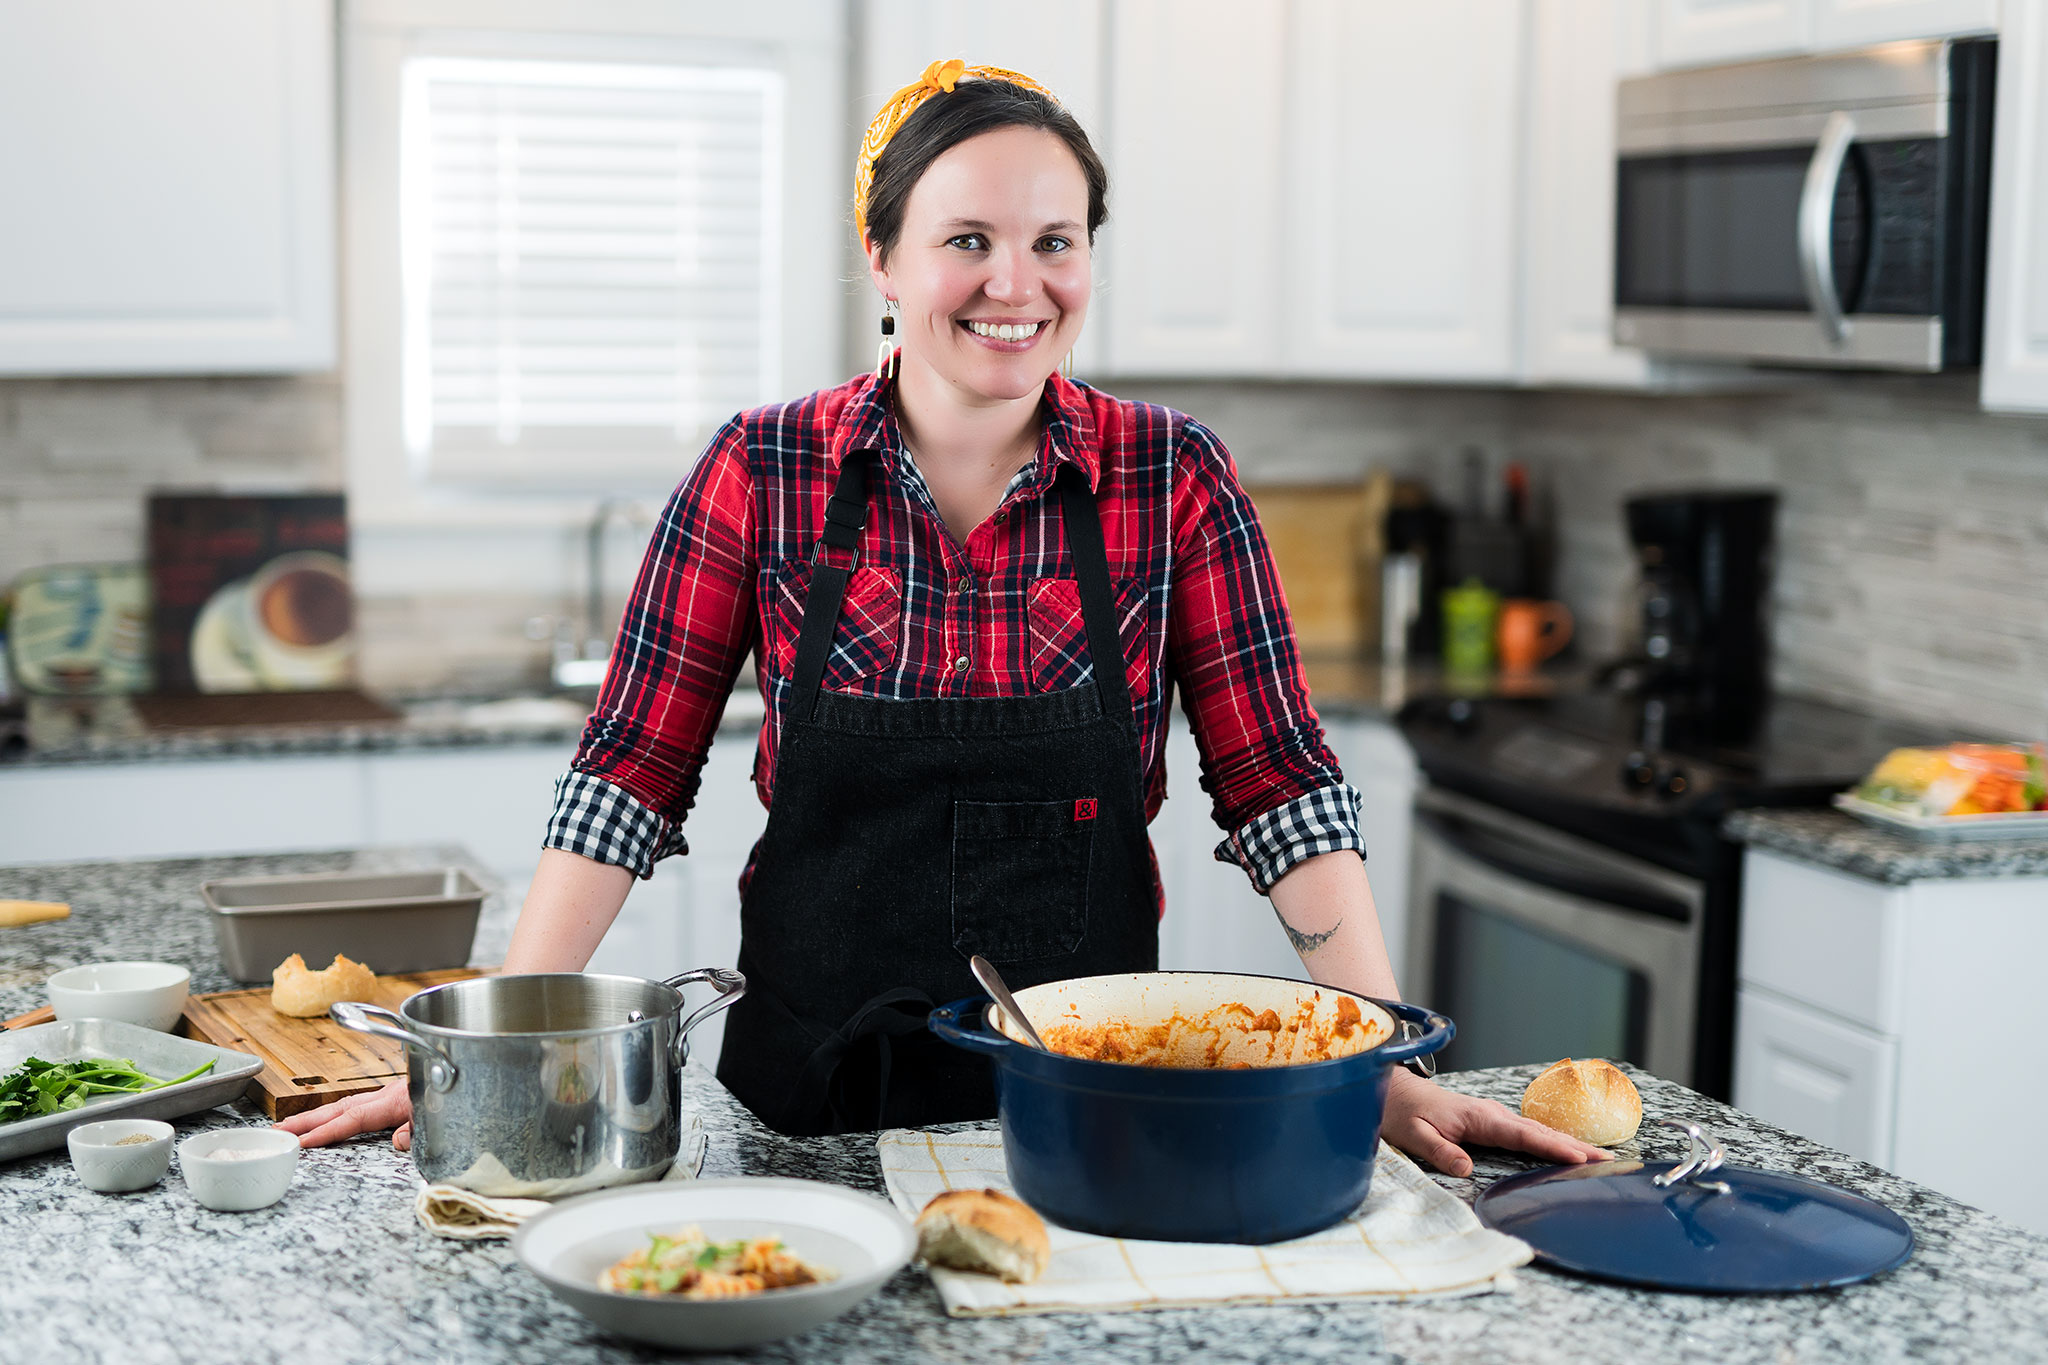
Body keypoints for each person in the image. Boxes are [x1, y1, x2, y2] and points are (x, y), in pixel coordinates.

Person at [283, 59, 1604, 1174]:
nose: (1013, 283)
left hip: (1084, 1110)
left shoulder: (1172, 473)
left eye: (1055, 240)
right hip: (807, 1113)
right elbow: (629, 772)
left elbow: (1282, 791)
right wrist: (502, 1039)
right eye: (966, 240)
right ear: (884, 255)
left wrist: (1368, 1047)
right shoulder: (767, 468)